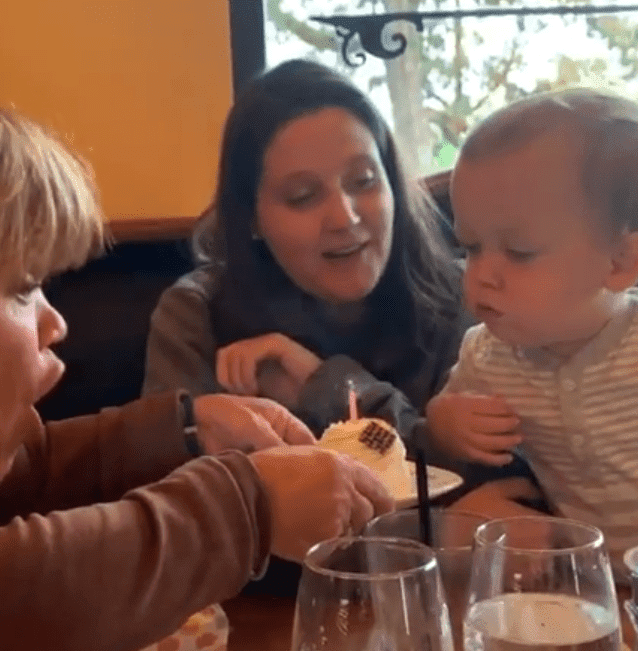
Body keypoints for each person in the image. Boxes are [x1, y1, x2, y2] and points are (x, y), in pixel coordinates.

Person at [0, 108, 393, 651]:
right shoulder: (195, 306)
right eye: (22, 288)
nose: (56, 322)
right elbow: (23, 588)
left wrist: (185, 428)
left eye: (365, 181)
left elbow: (29, 474)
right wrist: (249, 509)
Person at [142, 58, 468, 456]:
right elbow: (172, 487)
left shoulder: (469, 297)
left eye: (364, 181)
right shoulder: (194, 314)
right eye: (303, 196)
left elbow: (480, 470)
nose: (344, 217)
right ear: (252, 219)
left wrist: (322, 380)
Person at [426, 88, 638, 566]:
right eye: (471, 248)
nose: (482, 274)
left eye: (519, 252)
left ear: (620, 262)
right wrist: (444, 423)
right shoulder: (486, 355)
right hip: (586, 586)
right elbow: (444, 423)